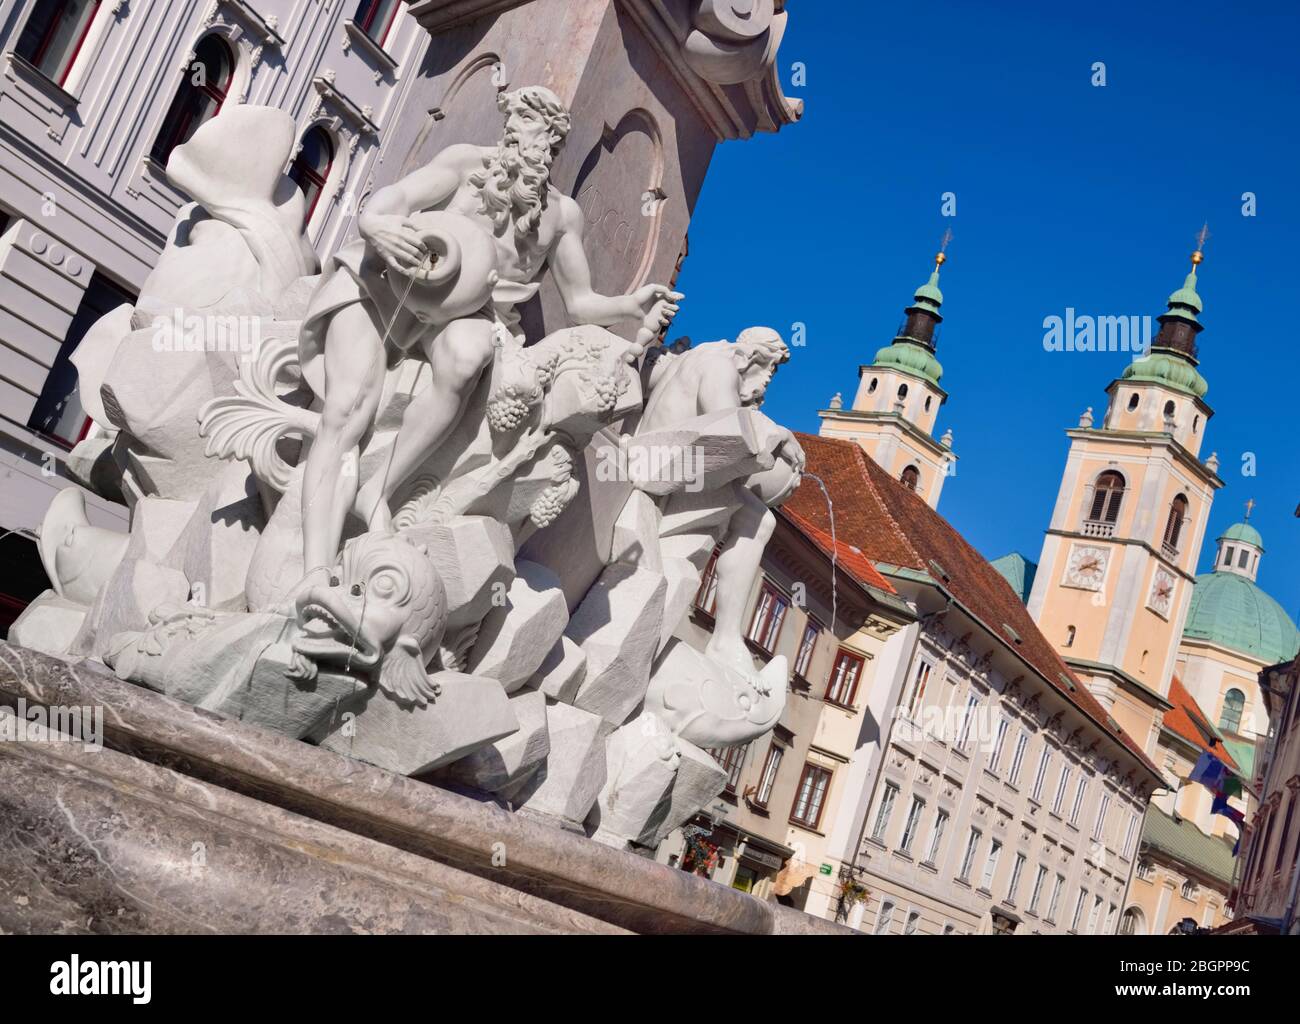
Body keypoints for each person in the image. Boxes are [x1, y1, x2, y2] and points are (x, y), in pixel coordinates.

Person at [295, 85, 682, 582]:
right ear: (509, 129)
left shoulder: (561, 216)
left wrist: (630, 304)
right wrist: (375, 223)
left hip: (467, 313)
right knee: (347, 409)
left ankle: (379, 488)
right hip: (386, 284)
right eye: (527, 129)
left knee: (468, 355)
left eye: (548, 140)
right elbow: (397, 198)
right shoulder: (464, 164)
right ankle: (314, 569)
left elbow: (580, 302)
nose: (536, 146)